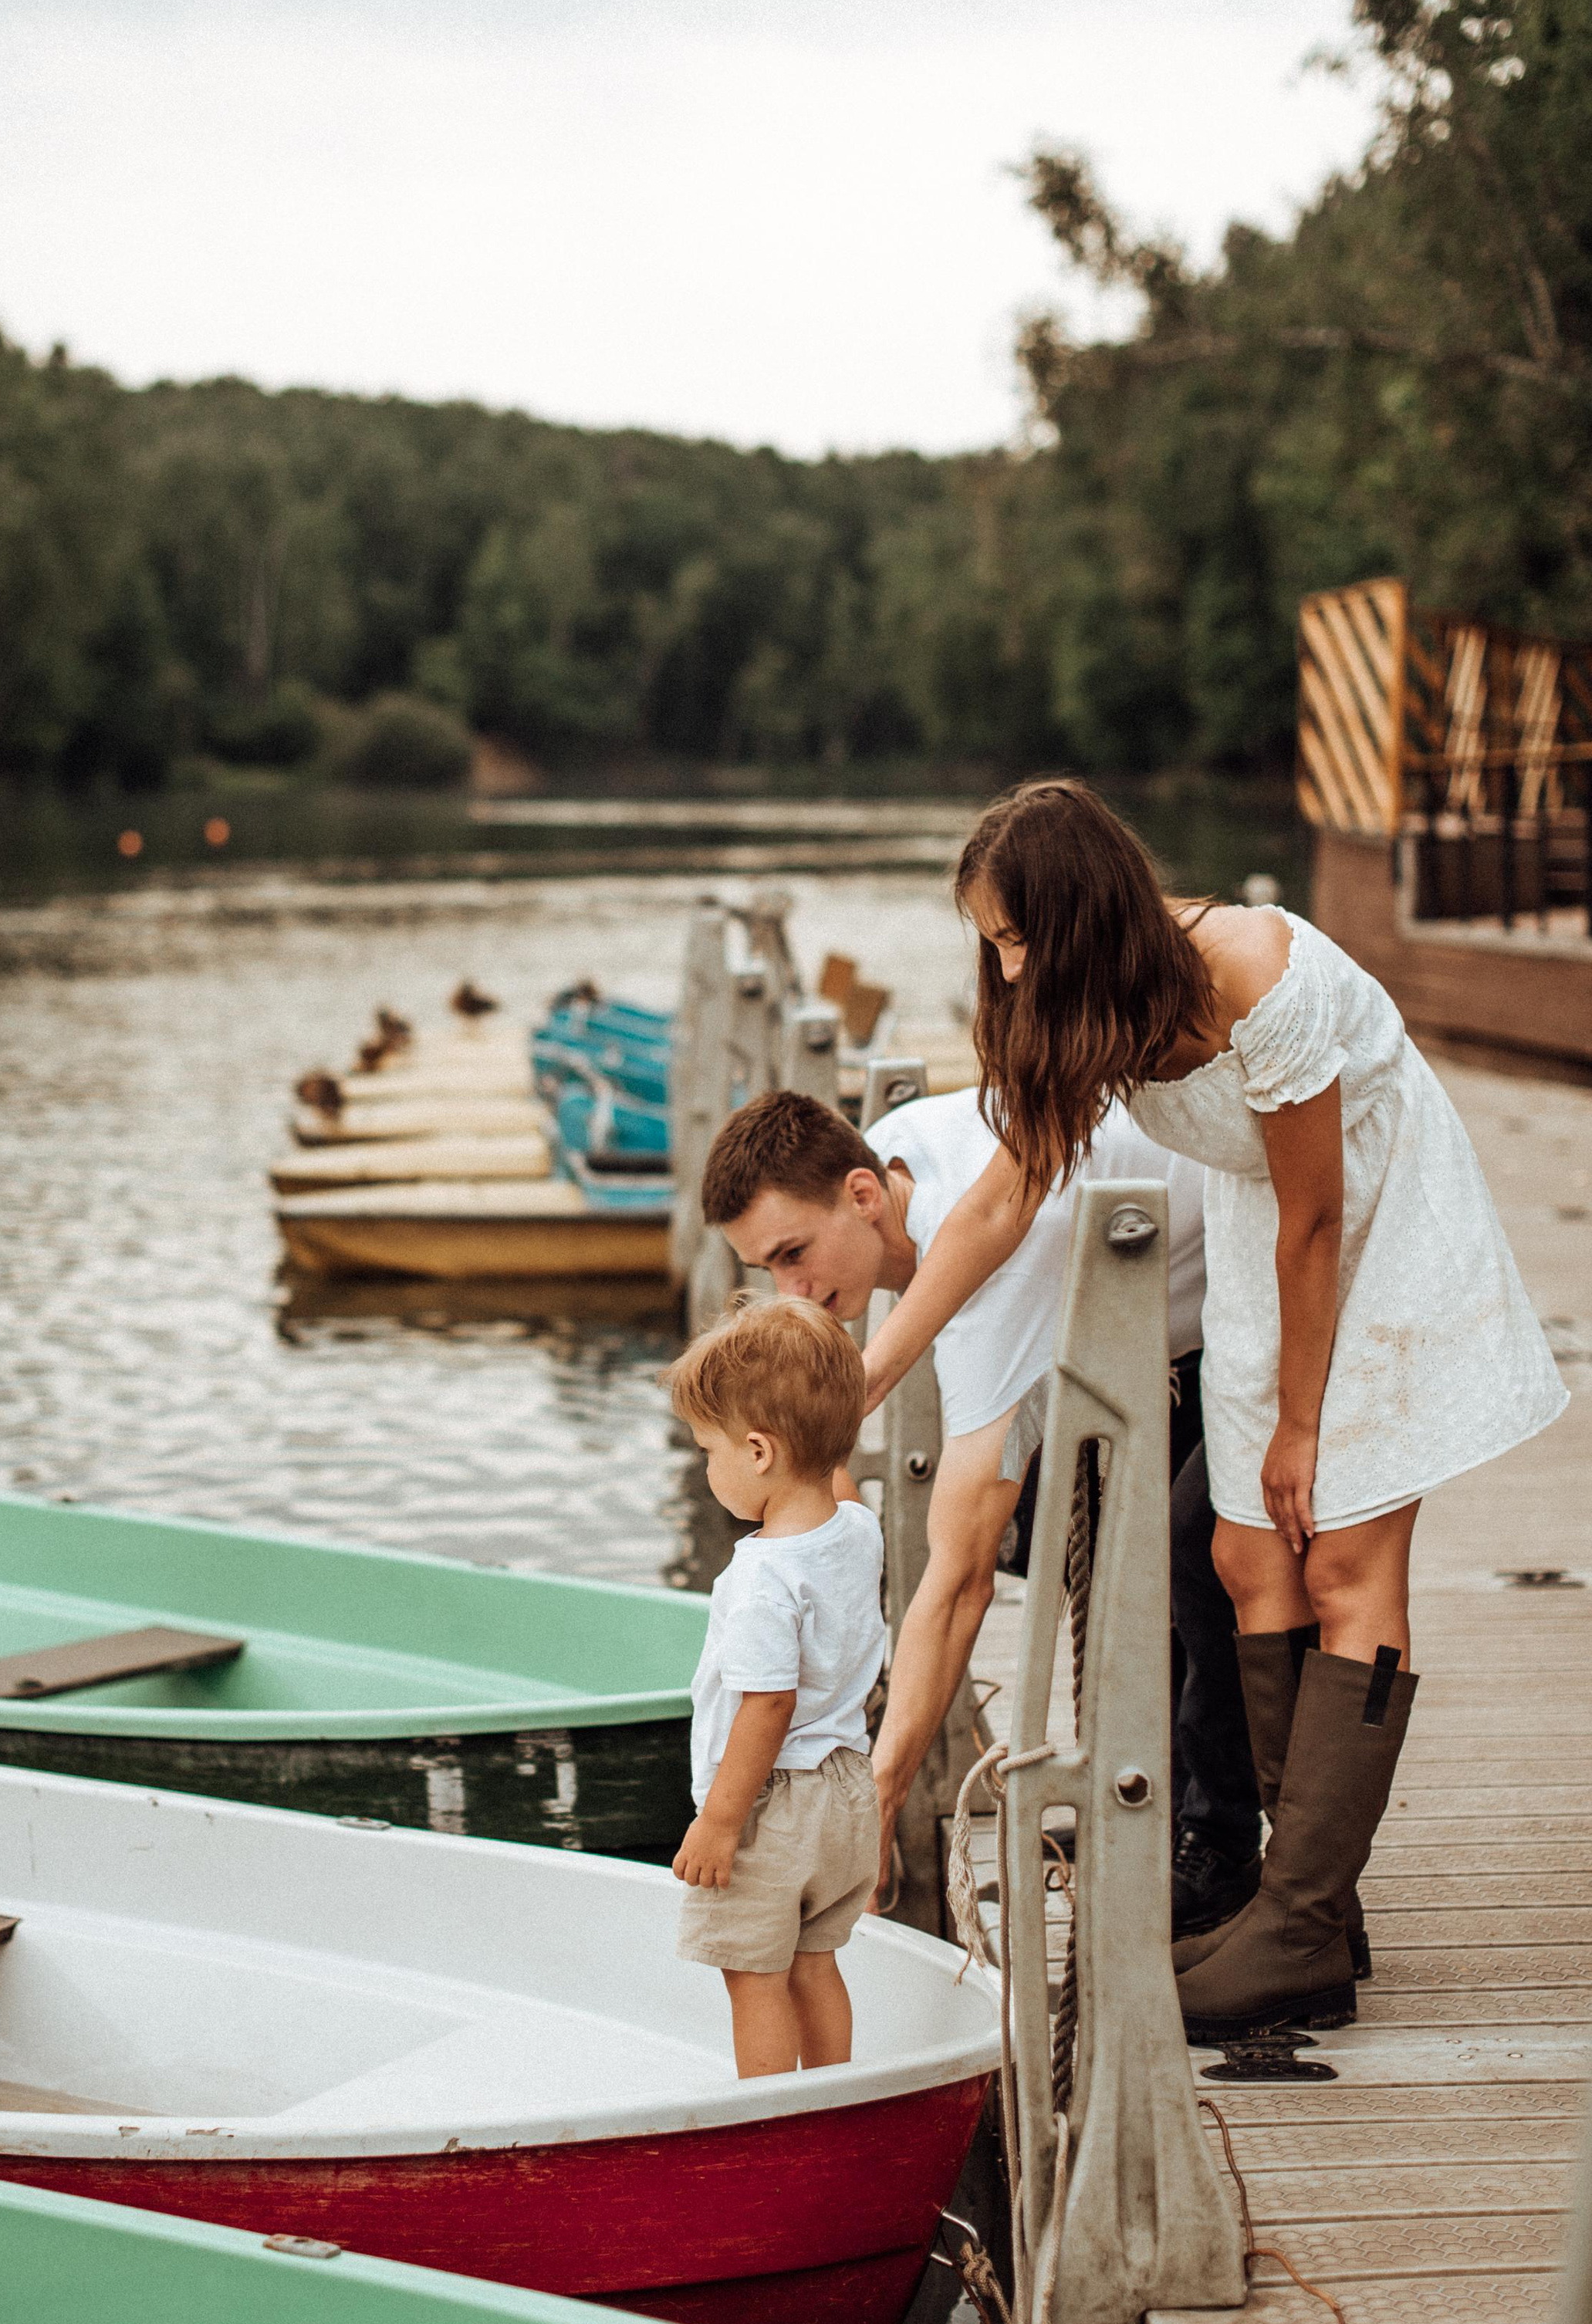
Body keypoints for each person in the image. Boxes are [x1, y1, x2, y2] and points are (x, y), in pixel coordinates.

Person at [867, 778, 1566, 2045]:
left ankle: (1297, 1927)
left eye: (1019, 935)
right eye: (992, 942)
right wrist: (867, 1376)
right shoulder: (1086, 1011)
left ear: (1080, 914)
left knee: (1342, 1554)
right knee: (1247, 1554)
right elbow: (993, 1207)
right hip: (1267, 1233)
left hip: (1373, 1216)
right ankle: (1318, 1908)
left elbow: (1321, 1212)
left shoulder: (1255, 976)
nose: (1007, 964)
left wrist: (1301, 1424)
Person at [701, 1086, 1264, 1939]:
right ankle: (1152, 1797)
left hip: (1278, 1268)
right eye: (768, 1270)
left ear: (860, 1195)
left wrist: (877, 1797)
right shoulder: (893, 1157)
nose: (791, 1288)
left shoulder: (994, 1282)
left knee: (1193, 1552)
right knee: (1091, 1531)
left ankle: (1217, 1847)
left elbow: (955, 1582)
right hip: (1177, 1305)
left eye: (792, 1254)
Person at [668, 1297, 884, 2078]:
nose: (705, 1467)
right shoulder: (857, 1529)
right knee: (814, 1962)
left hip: (774, 1801)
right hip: (846, 1791)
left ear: (757, 1451)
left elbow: (766, 1705)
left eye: (705, 1450)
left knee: (753, 1975)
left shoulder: (761, 1578)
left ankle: (767, 2117)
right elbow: (836, 1484)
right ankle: (832, 2096)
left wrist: (721, 1823)